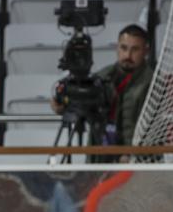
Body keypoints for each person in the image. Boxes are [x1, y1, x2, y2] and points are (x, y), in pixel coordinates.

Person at [52, 24, 153, 159]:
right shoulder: (103, 76)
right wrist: (62, 107)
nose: (128, 55)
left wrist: (132, 156)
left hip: (137, 162)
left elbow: (154, 132)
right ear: (117, 48)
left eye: (135, 50)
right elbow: (83, 109)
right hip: (99, 158)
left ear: (146, 51)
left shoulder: (153, 83)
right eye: (123, 48)